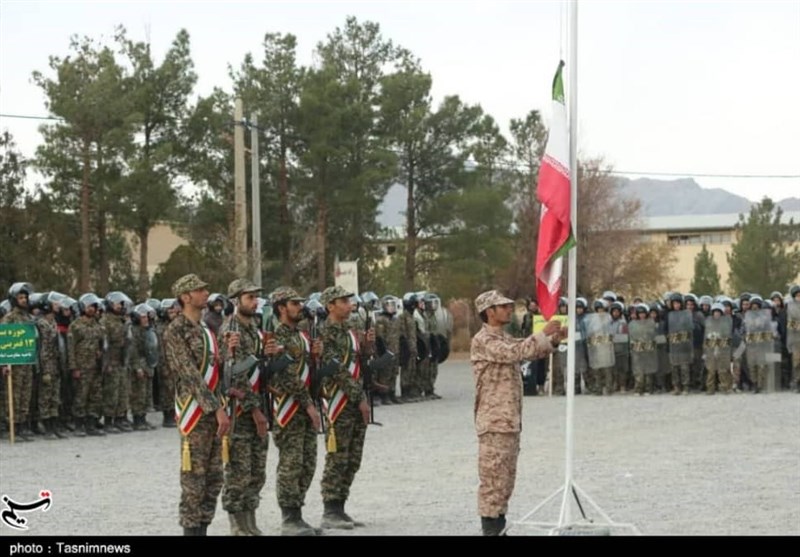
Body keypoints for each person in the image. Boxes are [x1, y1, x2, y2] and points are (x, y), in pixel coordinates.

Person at [470, 289, 565, 536]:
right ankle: (490, 529)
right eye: (503, 307)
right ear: (489, 312)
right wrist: (542, 333)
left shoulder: (502, 337)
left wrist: (552, 340)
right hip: (494, 421)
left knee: (506, 478)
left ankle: (499, 526)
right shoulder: (484, 340)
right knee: (493, 478)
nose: (509, 310)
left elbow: (528, 350)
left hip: (508, 419)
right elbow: (516, 352)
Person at [163, 274, 231, 536]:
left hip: (215, 411)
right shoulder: (175, 330)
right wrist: (216, 409)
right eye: (199, 290)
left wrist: (228, 351)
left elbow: (215, 367)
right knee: (194, 480)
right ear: (185, 296)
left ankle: (203, 528)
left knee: (214, 480)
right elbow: (189, 373)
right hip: (196, 411)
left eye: (205, 289)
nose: (206, 293)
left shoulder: (206, 330)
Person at [318, 285, 374, 530]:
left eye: (349, 300)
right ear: (330, 306)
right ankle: (330, 510)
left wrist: (369, 345)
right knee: (338, 456)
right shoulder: (325, 332)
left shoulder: (350, 330)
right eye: (343, 301)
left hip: (356, 398)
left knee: (353, 457)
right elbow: (337, 370)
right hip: (339, 401)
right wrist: (359, 397)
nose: (348, 304)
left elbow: (360, 362)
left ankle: (340, 507)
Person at [219, 278, 270, 536]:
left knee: (257, 470)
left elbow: (256, 368)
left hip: (258, 405)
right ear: (235, 301)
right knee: (239, 471)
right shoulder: (231, 329)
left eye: (255, 297)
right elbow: (235, 374)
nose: (255, 301)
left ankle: (250, 520)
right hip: (241, 412)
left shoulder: (254, 328)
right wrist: (255, 409)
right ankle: (237, 524)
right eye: (249, 297)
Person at [270, 286, 323, 535]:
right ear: (282, 308)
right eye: (295, 303)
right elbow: (287, 375)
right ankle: (289, 517)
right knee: (291, 463)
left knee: (307, 463)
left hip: (305, 407)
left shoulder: (301, 335)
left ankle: (298, 514)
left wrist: (316, 358)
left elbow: (307, 372)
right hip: (290, 407)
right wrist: (308, 404)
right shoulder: (276, 336)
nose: (300, 307)